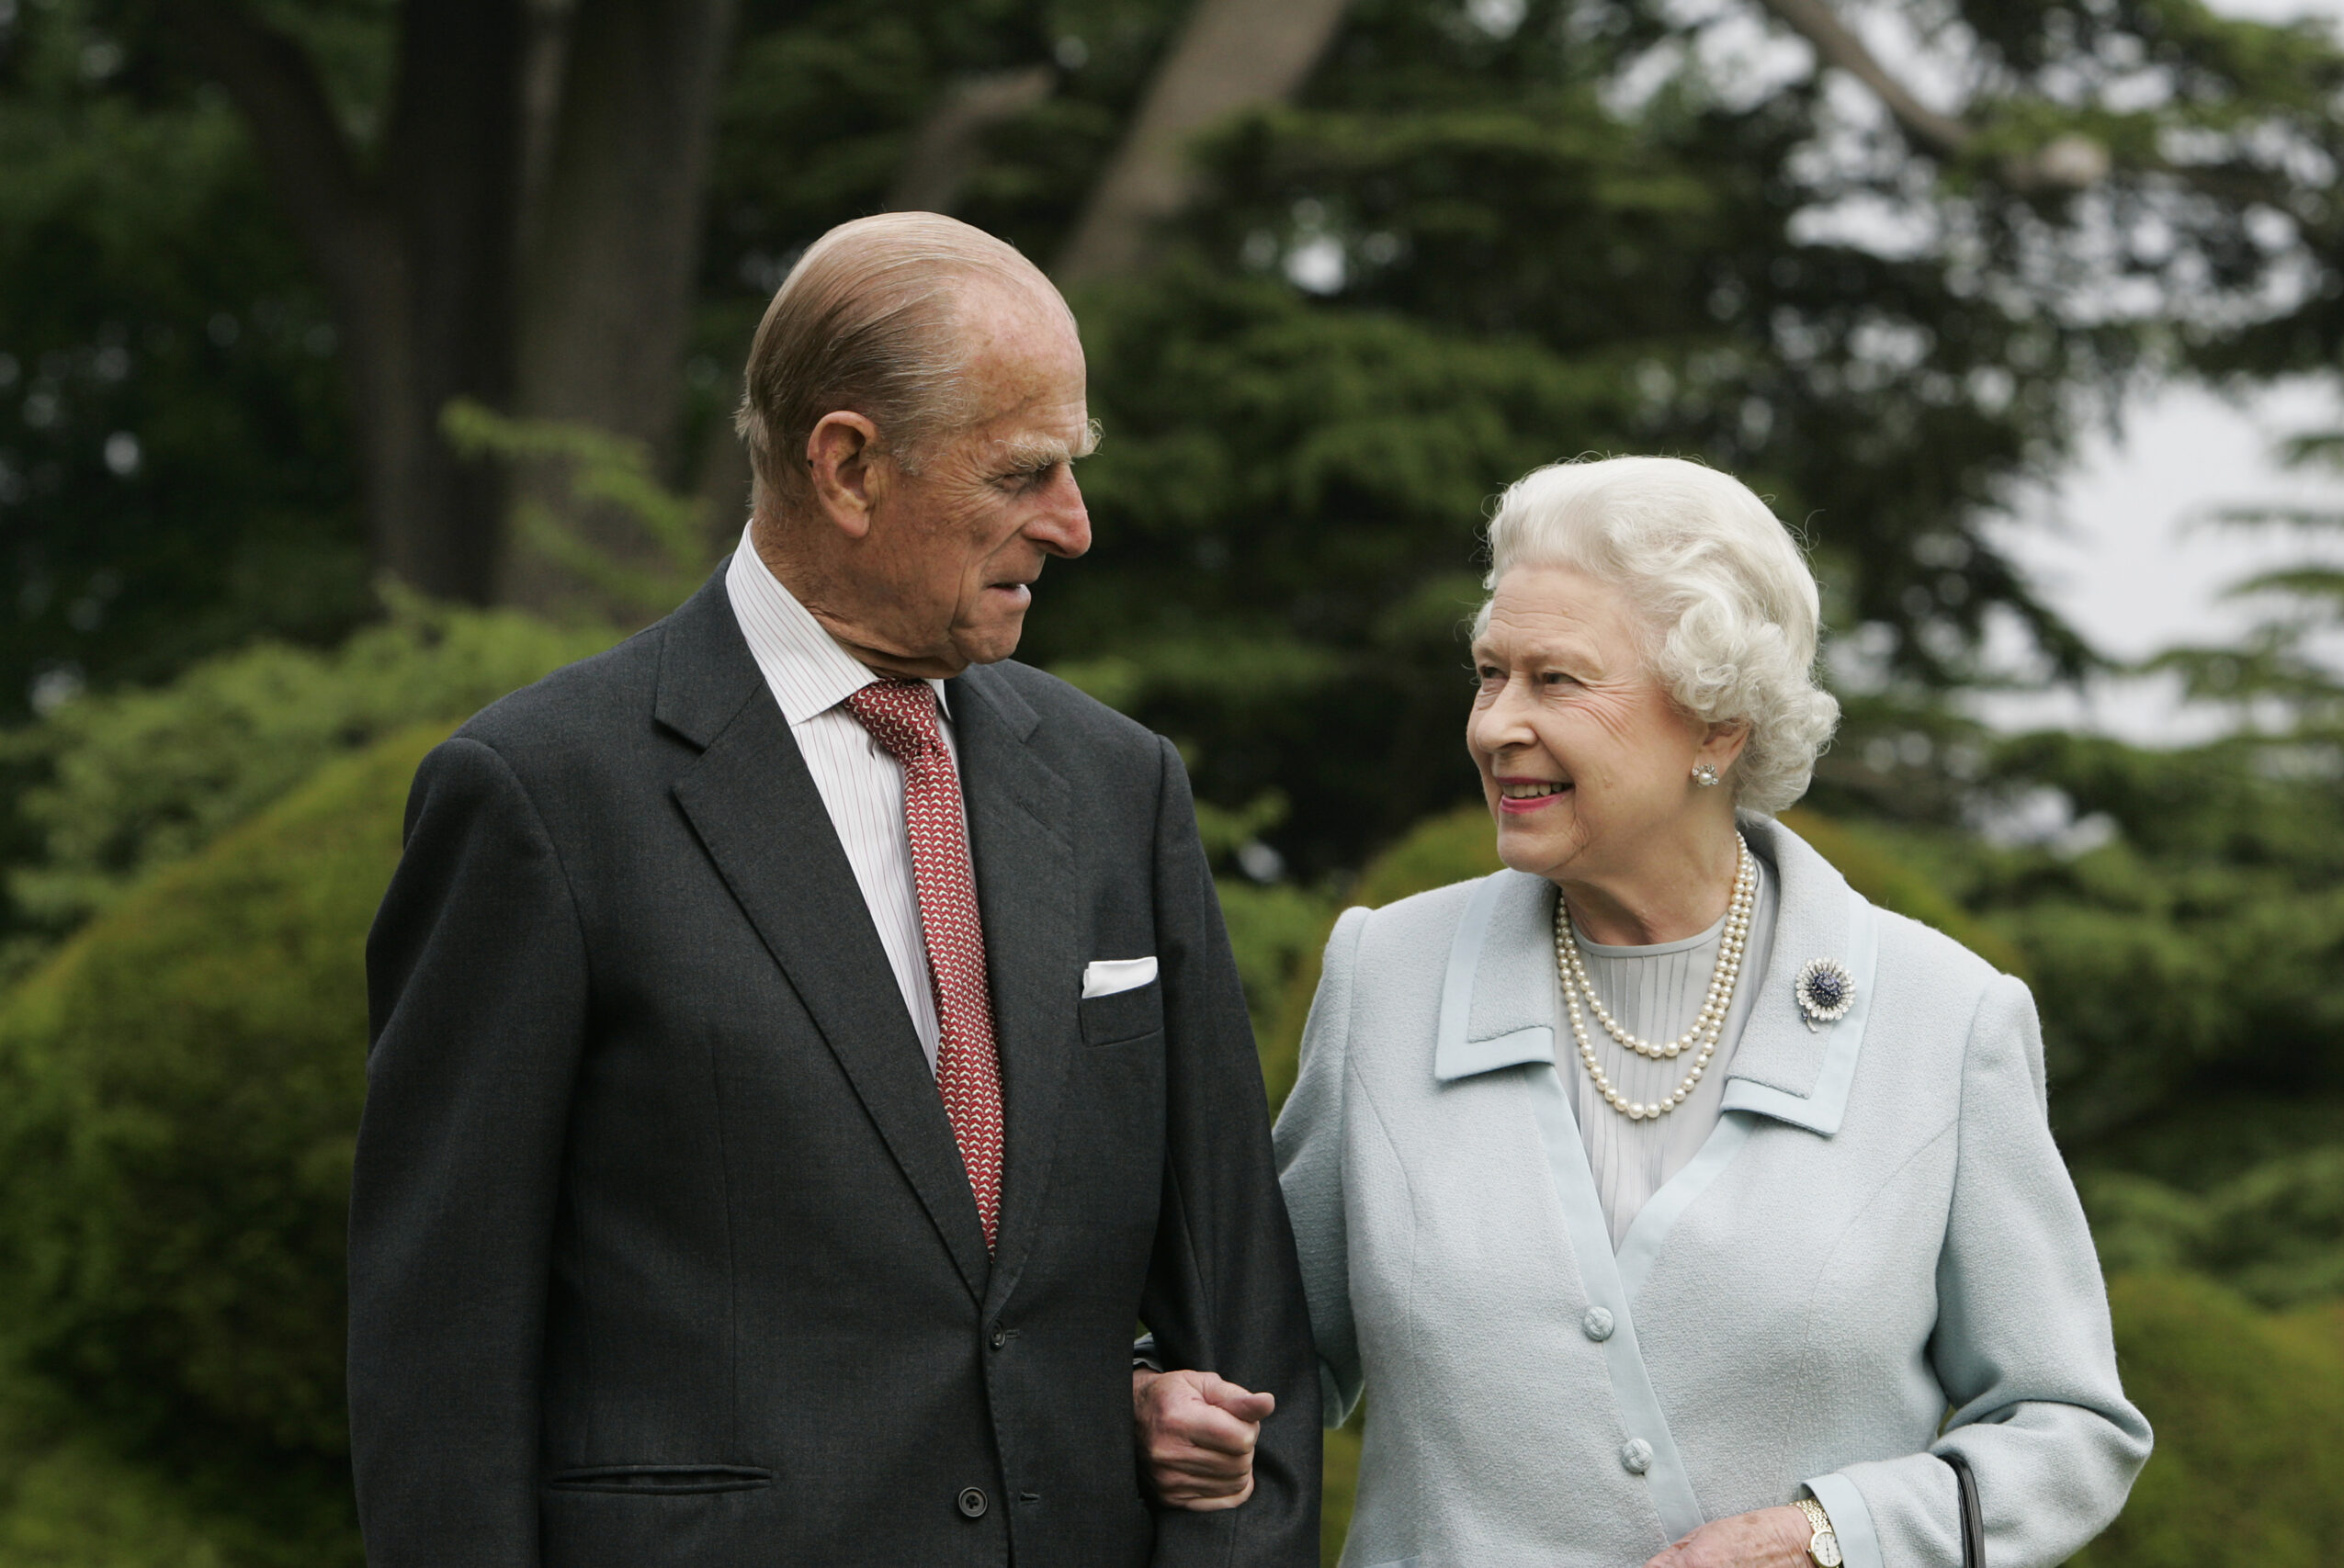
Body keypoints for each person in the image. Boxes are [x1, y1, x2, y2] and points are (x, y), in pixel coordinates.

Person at [349, 212, 1319, 1568]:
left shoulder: (1120, 787)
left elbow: (1244, 1316)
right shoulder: (539, 796)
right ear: (849, 466)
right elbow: (437, 1361)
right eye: (1024, 471)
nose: (1074, 525)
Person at [1271, 457, 2151, 1568]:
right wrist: (1163, 1399)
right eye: (1490, 674)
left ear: (1718, 727)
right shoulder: (1386, 974)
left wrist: (1837, 1538)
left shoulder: (1945, 1019)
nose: (1497, 726)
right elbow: (1261, 1358)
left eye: (1556, 680)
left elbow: (2068, 1426)